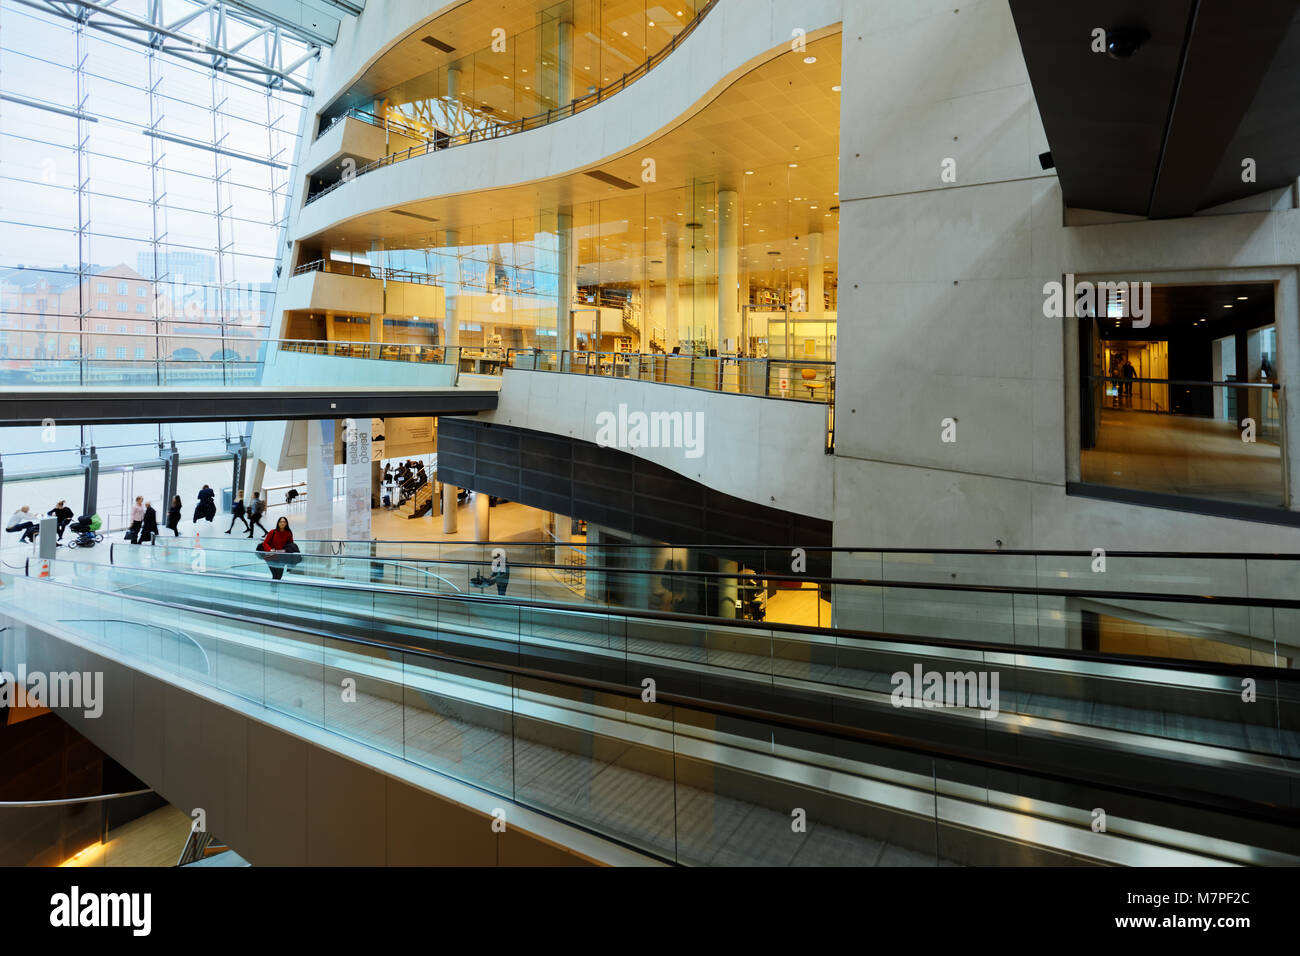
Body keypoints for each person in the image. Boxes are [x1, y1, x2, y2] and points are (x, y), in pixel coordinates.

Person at [259, 516, 295, 580]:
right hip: (271, 557)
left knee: (279, 576)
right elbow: (265, 543)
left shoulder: (288, 533)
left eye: (284, 522)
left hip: (281, 557)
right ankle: (273, 589)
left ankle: (274, 589)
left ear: (286, 523)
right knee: (275, 575)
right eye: (281, 522)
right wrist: (270, 550)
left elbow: (291, 545)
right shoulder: (272, 532)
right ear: (278, 523)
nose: (282, 523)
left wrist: (286, 551)